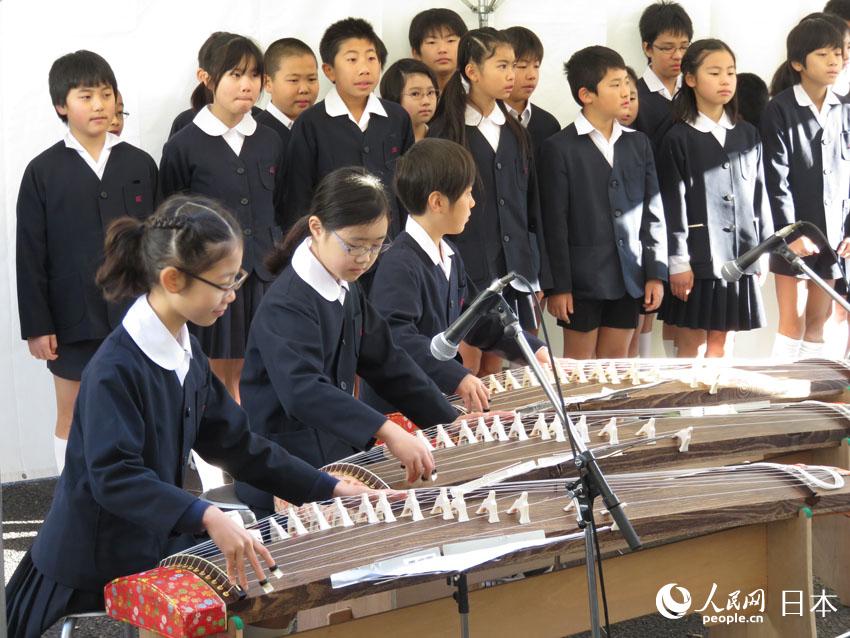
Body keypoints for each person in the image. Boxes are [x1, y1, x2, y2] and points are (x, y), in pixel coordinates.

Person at [5, 195, 373, 638]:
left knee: (268, 571)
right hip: (97, 552)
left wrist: (328, 488)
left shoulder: (185, 352)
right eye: (223, 283)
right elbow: (115, 477)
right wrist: (207, 515)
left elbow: (239, 446)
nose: (233, 295)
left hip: (154, 532)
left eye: (235, 277)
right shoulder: (115, 369)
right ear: (173, 279)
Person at [237, 167, 464, 515]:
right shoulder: (286, 303)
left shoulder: (346, 285)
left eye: (376, 246)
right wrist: (385, 429)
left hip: (335, 457)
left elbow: (388, 361)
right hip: (285, 470)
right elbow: (303, 391)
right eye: (355, 245)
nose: (365, 259)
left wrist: (451, 421)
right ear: (317, 228)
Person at [16, 50, 157, 472]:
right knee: (73, 409)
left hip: (137, 312)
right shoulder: (43, 171)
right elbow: (30, 252)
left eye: (105, 94)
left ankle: (143, 490)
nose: (98, 105)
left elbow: (161, 241)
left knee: (141, 407)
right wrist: (38, 326)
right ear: (62, 105)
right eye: (85, 95)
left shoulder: (140, 163)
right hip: (72, 316)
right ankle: (69, 499)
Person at [366, 138, 549, 413]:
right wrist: (458, 376)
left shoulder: (449, 254)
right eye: (467, 193)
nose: (473, 203)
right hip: (398, 410)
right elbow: (397, 338)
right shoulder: (400, 263)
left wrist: (533, 351)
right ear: (437, 202)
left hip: (431, 399)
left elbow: (478, 319)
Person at [159, 35, 285, 400]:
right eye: (235, 74)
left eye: (255, 75)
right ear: (207, 77)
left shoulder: (271, 140)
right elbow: (171, 220)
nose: (247, 85)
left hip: (265, 274)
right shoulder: (183, 145)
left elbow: (282, 204)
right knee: (216, 376)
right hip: (212, 277)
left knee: (261, 372)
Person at [430, 27, 550, 376]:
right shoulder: (447, 133)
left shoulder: (515, 131)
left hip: (512, 269)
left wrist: (535, 272)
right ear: (472, 71)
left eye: (513, 65)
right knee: (466, 364)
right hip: (465, 269)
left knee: (499, 368)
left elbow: (528, 207)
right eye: (501, 66)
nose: (511, 75)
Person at [539, 46, 667, 359]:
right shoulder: (559, 147)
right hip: (581, 281)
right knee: (580, 372)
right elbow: (553, 221)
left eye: (627, 82)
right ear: (587, 94)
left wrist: (655, 273)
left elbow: (653, 211)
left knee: (617, 365)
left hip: (628, 277)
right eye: (615, 84)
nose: (626, 92)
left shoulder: (638, 143)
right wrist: (559, 286)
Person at [657, 39, 772, 357]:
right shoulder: (677, 137)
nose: (725, 81)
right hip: (698, 258)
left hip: (741, 255)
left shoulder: (747, 133)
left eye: (731, 73)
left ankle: (718, 404)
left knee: (726, 339)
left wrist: (763, 251)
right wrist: (678, 260)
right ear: (691, 79)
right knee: (693, 341)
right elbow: (671, 203)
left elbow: (759, 195)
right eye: (715, 72)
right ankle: (691, 408)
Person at [761, 16, 850, 359]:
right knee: (792, 322)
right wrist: (790, 234)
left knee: (819, 320)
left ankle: (810, 402)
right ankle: (777, 404)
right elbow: (775, 181)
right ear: (798, 63)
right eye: (823, 55)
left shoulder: (844, 108)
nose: (834, 62)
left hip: (834, 237)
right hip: (795, 237)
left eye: (838, 54)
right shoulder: (779, 109)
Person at [284, 17, 414, 238]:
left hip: (390, 244)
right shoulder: (310, 123)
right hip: (336, 249)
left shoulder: (396, 117)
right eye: (352, 59)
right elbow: (299, 200)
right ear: (329, 70)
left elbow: (409, 187)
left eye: (371, 58)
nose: (364, 69)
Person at [632, 1, 694, 152]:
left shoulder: (696, 91)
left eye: (684, 47)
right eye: (667, 48)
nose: (678, 55)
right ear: (647, 48)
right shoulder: (632, 97)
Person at [257, 37, 320, 147]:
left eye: (312, 79)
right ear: (267, 83)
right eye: (294, 80)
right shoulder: (254, 134)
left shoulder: (325, 128)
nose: (304, 89)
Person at [408, 7, 468, 92]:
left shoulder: (477, 93)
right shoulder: (408, 97)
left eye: (450, 40)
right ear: (416, 54)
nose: (442, 49)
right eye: (431, 42)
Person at [380, 58, 439, 141]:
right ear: (393, 98)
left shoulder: (443, 139)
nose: (426, 101)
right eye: (415, 94)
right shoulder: (381, 141)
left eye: (430, 93)